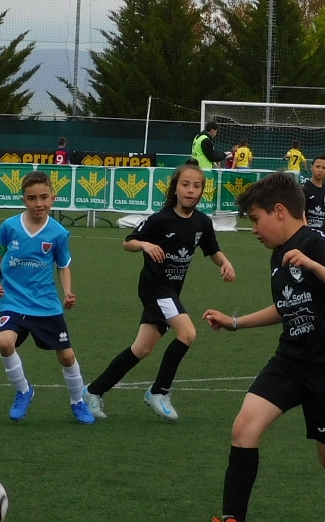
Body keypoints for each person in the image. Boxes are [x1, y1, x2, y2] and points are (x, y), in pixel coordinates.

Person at [201, 171, 325, 522]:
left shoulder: (317, 241)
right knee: (244, 428)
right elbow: (286, 306)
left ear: (279, 211)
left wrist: (312, 264)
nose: (254, 229)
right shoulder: (278, 254)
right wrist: (235, 323)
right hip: (291, 360)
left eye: (256, 219)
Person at [84, 160, 237, 422]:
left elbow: (212, 249)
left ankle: (93, 391)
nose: (190, 190)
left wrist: (225, 262)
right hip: (154, 289)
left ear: (201, 191)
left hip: (171, 292)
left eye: (196, 186)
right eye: (185, 184)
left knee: (141, 349)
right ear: (175, 188)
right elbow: (128, 242)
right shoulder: (160, 219)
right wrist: (145, 245)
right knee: (187, 333)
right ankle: (159, 392)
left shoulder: (202, 222)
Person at [0, 171, 93, 425]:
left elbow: (63, 265)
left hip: (45, 304)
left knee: (66, 356)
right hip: (13, 300)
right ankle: (23, 391)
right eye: (32, 198)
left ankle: (78, 401)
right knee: (5, 342)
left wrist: (67, 292)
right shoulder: (9, 227)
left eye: (44, 197)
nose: (39, 203)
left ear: (53, 198)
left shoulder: (58, 233)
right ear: (23, 200)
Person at [302, 155, 325, 234]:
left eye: (324, 168)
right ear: (311, 167)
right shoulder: (304, 190)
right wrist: (305, 232)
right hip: (309, 232)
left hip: (322, 233)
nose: (320, 170)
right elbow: (301, 213)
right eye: (317, 167)